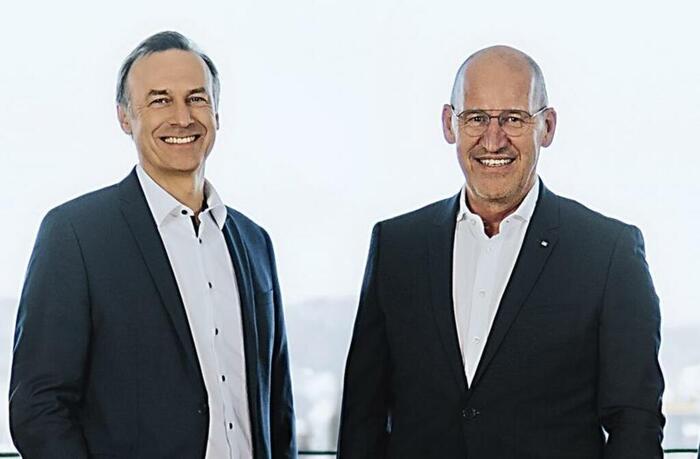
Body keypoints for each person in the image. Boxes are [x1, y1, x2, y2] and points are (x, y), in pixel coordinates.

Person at [338, 45, 664, 458]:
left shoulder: (608, 253)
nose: (493, 140)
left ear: (547, 127)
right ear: (449, 124)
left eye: (513, 118)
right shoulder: (397, 247)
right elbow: (362, 422)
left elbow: (635, 426)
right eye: (476, 118)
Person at [9, 31, 296, 459]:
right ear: (125, 117)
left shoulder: (255, 243)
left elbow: (278, 408)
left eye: (196, 98)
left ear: (217, 113)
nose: (182, 117)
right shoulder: (75, 234)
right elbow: (39, 407)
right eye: (160, 100)